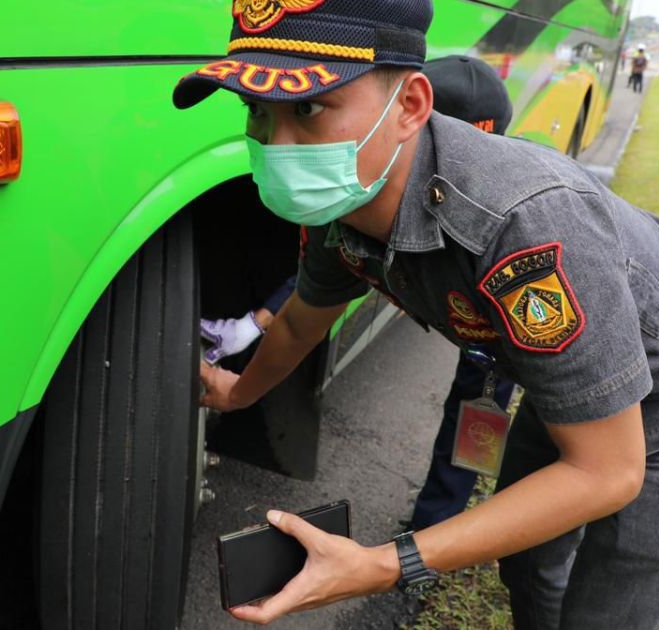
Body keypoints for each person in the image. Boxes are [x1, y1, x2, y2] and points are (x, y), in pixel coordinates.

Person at [176, 1, 659, 628]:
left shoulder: (523, 224)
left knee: (610, 610)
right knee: (527, 563)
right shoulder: (346, 203)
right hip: (569, 378)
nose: (276, 146)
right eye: (256, 111)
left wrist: (387, 563)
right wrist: (240, 392)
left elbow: (606, 469)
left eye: (307, 107)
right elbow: (305, 318)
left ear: (411, 105)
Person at [200, 55, 519, 531]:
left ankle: (447, 518)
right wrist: (244, 375)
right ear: (403, 125)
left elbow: (597, 466)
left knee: (486, 413)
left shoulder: (514, 238)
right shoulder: (353, 213)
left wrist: (411, 559)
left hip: (542, 351)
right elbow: (313, 297)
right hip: (484, 330)